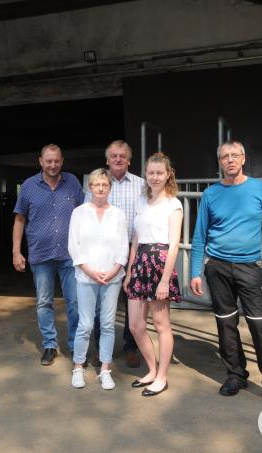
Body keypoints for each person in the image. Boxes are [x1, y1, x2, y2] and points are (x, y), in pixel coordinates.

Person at [189, 140, 262, 406]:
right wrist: (196, 271)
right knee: (226, 324)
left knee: (258, 326)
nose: (230, 160)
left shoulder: (260, 189)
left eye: (235, 155)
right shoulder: (210, 194)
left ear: (243, 159)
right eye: (224, 156)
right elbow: (200, 236)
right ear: (219, 161)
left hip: (249, 268)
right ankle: (235, 374)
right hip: (217, 268)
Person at [13, 144, 84, 366]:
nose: (53, 165)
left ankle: (75, 347)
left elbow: (85, 215)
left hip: (70, 254)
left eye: (56, 161)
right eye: (48, 161)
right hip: (40, 254)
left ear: (62, 161)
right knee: (44, 301)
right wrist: (16, 251)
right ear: (40, 161)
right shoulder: (28, 186)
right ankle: (50, 345)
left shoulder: (72, 182)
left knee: (74, 302)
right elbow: (20, 219)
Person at [123, 152, 183, 397]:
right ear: (145, 175)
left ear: (168, 174)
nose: (155, 177)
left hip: (160, 264)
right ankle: (151, 369)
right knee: (136, 325)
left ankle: (162, 377)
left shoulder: (173, 204)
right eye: (151, 173)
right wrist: (129, 272)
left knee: (161, 325)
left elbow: (174, 244)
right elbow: (136, 240)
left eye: (160, 173)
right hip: (139, 264)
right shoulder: (140, 201)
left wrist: (165, 280)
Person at [85, 140, 145, 368]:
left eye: (122, 156)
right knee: (102, 304)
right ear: (107, 160)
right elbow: (86, 215)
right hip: (104, 251)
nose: (117, 159)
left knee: (132, 301)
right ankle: (101, 349)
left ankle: (131, 347)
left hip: (134, 248)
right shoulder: (98, 184)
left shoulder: (141, 185)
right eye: (113, 156)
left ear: (129, 160)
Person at [68, 168, 129, 390]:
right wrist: (90, 270)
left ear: (110, 188)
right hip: (86, 276)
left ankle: (105, 369)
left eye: (105, 185)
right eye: (96, 185)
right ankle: (78, 367)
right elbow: (73, 246)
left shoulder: (119, 214)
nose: (101, 188)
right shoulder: (79, 213)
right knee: (85, 324)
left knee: (107, 324)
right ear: (89, 187)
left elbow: (124, 245)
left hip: (112, 278)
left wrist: (114, 270)